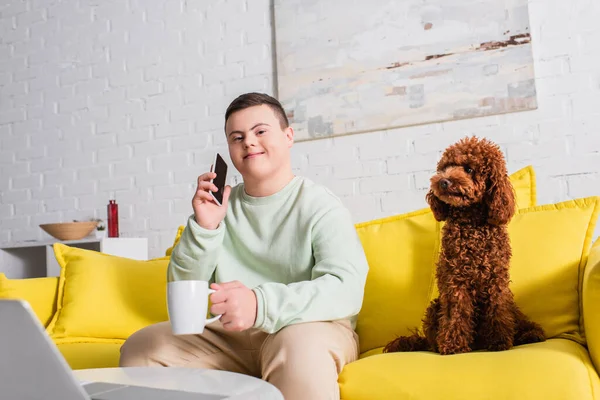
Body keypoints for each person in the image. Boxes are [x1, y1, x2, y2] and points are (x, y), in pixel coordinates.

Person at [119, 92, 370, 400]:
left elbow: (345, 288)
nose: (248, 142)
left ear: (288, 136)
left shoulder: (321, 206)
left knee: (298, 350)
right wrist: (205, 228)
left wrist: (258, 303)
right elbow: (186, 294)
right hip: (233, 337)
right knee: (143, 347)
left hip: (307, 327)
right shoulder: (219, 208)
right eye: (236, 137)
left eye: (260, 131)